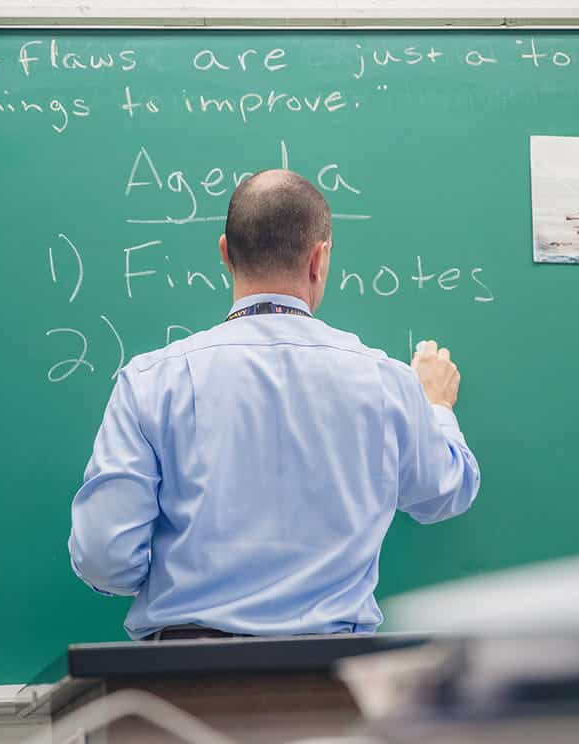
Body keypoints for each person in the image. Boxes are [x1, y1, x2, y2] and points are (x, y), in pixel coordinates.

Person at [68, 169, 481, 641]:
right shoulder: (386, 381)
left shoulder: (151, 381)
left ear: (225, 252)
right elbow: (445, 492)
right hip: (331, 681)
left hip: (181, 679)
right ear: (319, 259)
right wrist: (437, 406)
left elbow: (104, 557)